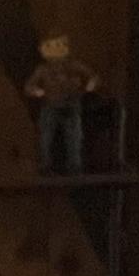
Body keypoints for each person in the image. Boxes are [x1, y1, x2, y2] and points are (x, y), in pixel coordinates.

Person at [25, 32, 102, 176]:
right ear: (42, 49)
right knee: (46, 138)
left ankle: (75, 167)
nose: (55, 49)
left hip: (71, 106)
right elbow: (29, 86)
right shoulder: (43, 69)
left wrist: (91, 84)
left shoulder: (74, 65)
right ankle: (45, 166)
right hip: (50, 107)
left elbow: (93, 76)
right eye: (50, 46)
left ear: (66, 47)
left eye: (59, 45)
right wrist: (36, 91)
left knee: (74, 137)